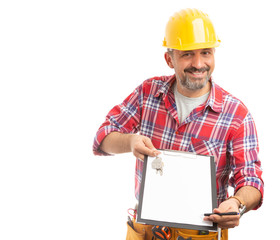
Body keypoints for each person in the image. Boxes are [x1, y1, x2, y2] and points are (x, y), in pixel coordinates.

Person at [93, 8, 264, 240]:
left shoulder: (236, 115)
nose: (198, 63)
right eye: (187, 54)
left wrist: (237, 202)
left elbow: (251, 180)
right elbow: (103, 138)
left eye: (206, 52)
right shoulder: (148, 93)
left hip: (200, 233)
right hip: (146, 232)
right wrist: (130, 141)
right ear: (169, 59)